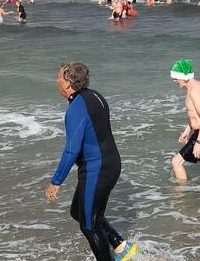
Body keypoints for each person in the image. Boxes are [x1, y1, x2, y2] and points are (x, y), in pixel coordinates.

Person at [44, 63, 137, 261]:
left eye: (59, 77)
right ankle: (121, 247)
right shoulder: (95, 96)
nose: (56, 81)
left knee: (89, 225)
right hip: (110, 162)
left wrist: (56, 181)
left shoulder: (76, 108)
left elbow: (71, 149)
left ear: (68, 83)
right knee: (78, 211)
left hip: (97, 169)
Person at [169, 60, 200, 181]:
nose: (174, 81)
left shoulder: (194, 91)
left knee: (176, 162)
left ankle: (182, 195)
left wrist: (199, 143)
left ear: (184, 77)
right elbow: (195, 115)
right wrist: (187, 130)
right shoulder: (194, 86)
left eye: (176, 78)